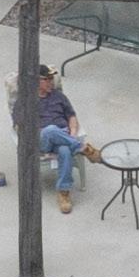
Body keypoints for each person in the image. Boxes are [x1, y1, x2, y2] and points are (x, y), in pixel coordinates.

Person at [30, 65, 85, 210]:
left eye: (52, 78)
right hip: (42, 139)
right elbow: (19, 125)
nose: (51, 82)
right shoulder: (27, 100)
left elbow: (71, 116)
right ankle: (81, 147)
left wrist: (73, 132)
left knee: (65, 151)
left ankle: (64, 192)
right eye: (47, 79)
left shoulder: (59, 96)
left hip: (63, 136)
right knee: (50, 130)